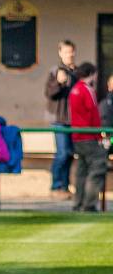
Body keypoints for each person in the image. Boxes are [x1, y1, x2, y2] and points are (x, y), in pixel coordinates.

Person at [69, 62, 107, 212]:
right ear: (91, 73)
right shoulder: (87, 90)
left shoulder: (74, 90)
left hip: (77, 136)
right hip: (88, 135)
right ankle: (89, 204)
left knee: (82, 170)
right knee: (97, 167)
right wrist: (99, 136)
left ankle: (77, 203)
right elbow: (94, 115)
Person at [45, 40, 78, 200]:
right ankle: (56, 186)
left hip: (74, 120)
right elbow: (49, 93)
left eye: (71, 51)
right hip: (59, 119)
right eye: (66, 52)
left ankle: (64, 187)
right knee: (62, 153)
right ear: (60, 53)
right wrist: (59, 82)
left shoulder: (76, 72)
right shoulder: (55, 71)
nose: (69, 55)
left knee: (70, 153)